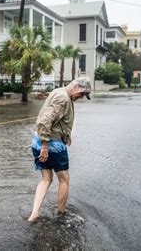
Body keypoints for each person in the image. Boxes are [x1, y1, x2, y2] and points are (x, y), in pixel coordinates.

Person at [27, 77, 91, 223]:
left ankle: (34, 214)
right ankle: (61, 213)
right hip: (51, 144)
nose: (80, 98)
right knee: (64, 180)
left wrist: (66, 135)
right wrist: (45, 146)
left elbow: (57, 119)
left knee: (46, 179)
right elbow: (45, 120)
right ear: (76, 87)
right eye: (81, 94)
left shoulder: (59, 91)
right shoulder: (63, 98)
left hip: (38, 140)